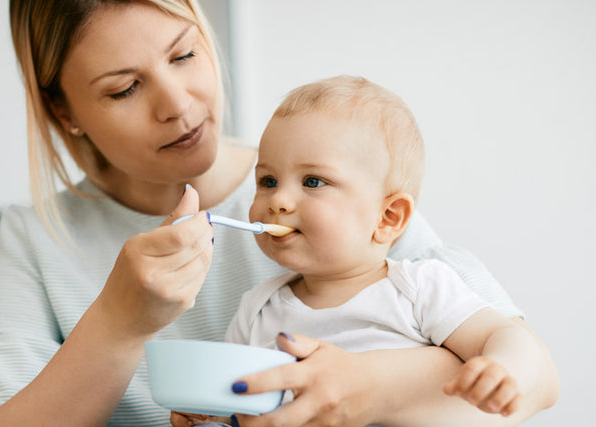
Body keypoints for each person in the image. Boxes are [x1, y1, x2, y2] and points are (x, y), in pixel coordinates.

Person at [0, 1, 559, 426]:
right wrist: (118, 324)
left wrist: (366, 388)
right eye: (124, 88)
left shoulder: (350, 196)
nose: (177, 103)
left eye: (184, 55)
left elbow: (530, 381)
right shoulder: (34, 243)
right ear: (65, 113)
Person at [172, 76, 554, 427]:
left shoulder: (420, 288)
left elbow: (505, 336)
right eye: (268, 181)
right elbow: (246, 406)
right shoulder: (256, 309)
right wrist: (210, 413)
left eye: (313, 181)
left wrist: (502, 368)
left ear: (388, 217)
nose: (279, 201)